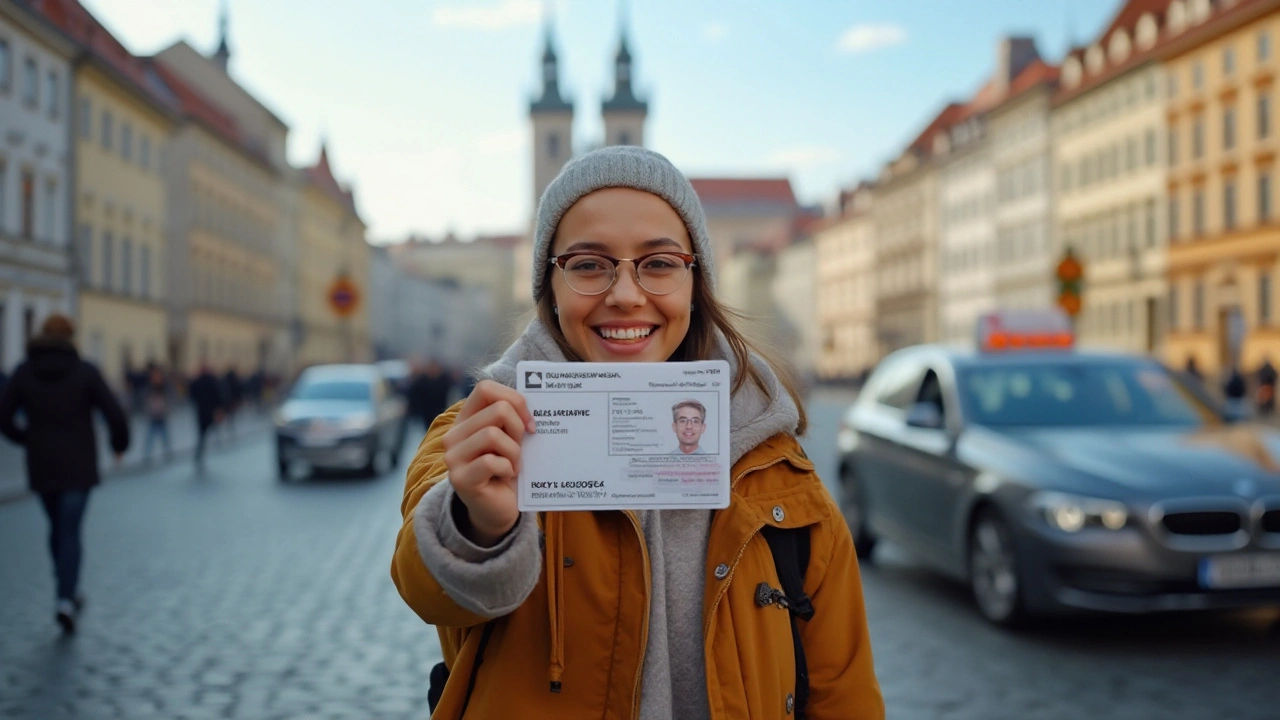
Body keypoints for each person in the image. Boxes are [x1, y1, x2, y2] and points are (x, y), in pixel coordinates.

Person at [391, 147, 883, 719]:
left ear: (695, 282)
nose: (625, 294)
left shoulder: (778, 468)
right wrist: (479, 523)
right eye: (589, 264)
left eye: (658, 263)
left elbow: (844, 696)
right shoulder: (478, 437)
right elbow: (427, 591)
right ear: (550, 286)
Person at [0, 314, 130, 634]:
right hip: (78, 463)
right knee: (70, 529)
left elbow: (3, 417)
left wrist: (25, 438)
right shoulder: (84, 371)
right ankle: (66, 597)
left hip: (42, 462)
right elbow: (114, 412)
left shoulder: (24, 372)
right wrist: (119, 445)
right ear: (71, 337)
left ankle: (66, 590)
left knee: (57, 528)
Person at [188, 361, 225, 470]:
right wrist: (219, 409)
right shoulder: (212, 381)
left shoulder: (198, 381)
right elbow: (219, 396)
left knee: (202, 435)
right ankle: (210, 448)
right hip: (210, 412)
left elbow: (192, 394)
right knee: (206, 433)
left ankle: (199, 454)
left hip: (202, 412)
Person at [407, 359, 453, 433]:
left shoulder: (445, 380)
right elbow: (414, 396)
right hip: (426, 412)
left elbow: (450, 394)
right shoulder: (422, 381)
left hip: (441, 411)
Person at [141, 365, 171, 462]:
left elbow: (169, 398)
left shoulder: (164, 386)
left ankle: (167, 452)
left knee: (165, 435)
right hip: (153, 414)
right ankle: (147, 455)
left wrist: (167, 409)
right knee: (150, 436)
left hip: (162, 414)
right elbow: (145, 399)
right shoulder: (150, 387)